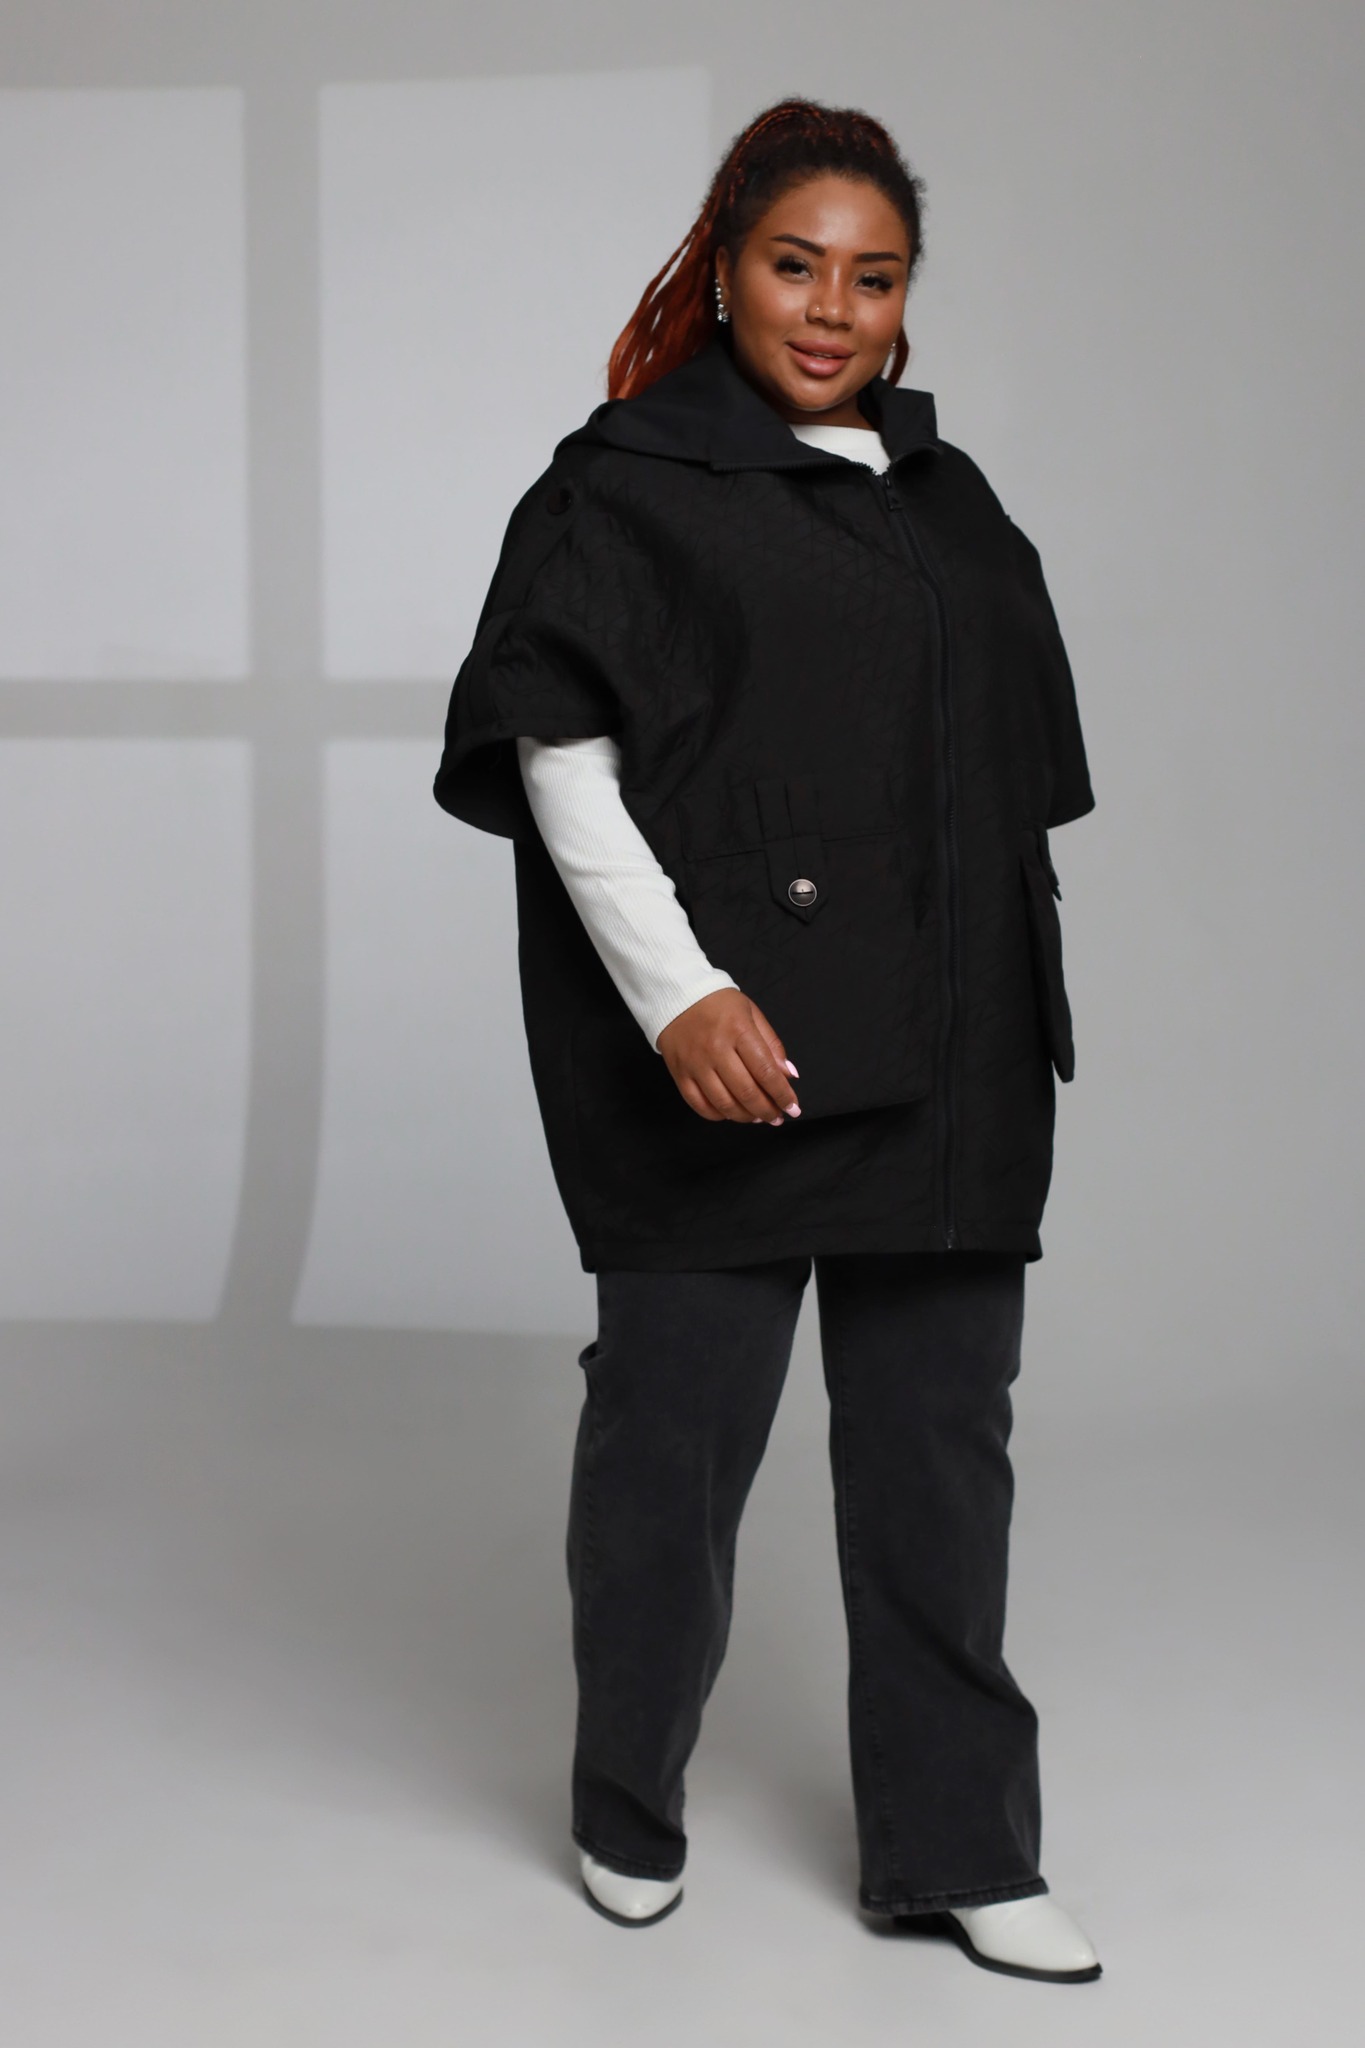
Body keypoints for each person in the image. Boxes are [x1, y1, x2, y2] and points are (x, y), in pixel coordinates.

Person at [434, 97, 1101, 1984]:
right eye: (795, 265)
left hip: (951, 1054)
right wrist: (682, 997)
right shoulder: (621, 484)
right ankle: (623, 1803)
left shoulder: (945, 496)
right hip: (727, 1060)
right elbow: (561, 760)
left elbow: (985, 780)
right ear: (723, 266)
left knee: (940, 1457)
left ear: (905, 299)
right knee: (670, 1451)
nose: (830, 308)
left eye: (871, 278)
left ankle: (961, 1848)